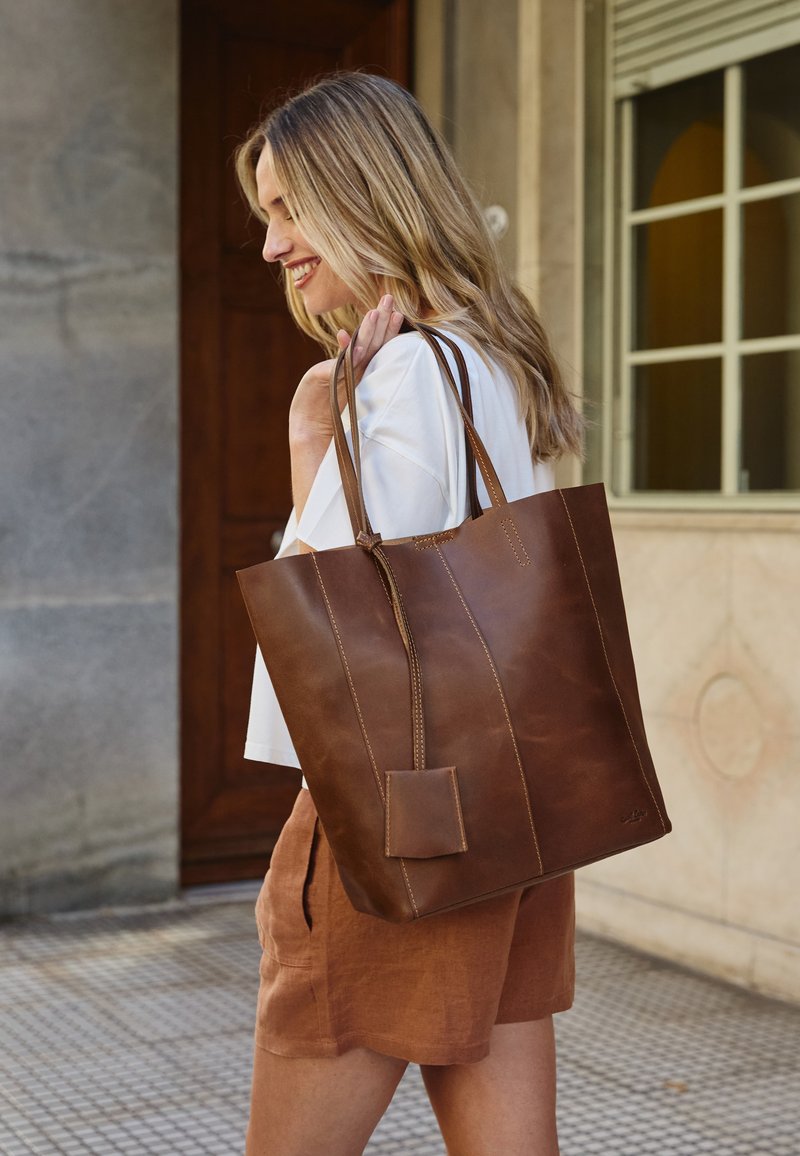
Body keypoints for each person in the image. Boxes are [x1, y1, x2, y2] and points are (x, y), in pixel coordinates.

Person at [235, 71, 583, 1156]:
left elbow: (326, 638)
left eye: (289, 209)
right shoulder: (492, 358)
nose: (272, 246)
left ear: (363, 194)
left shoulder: (405, 378)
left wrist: (310, 437)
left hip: (393, 824)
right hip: (514, 814)